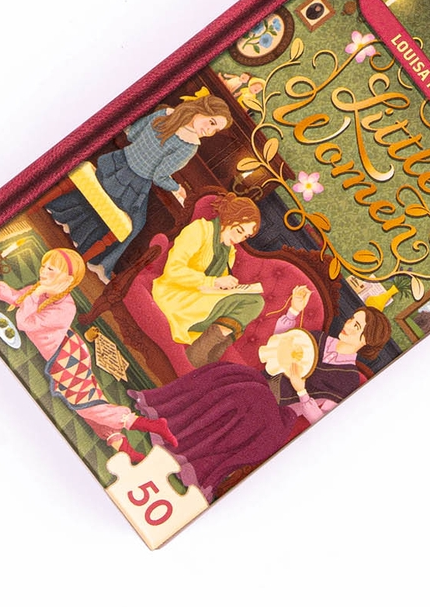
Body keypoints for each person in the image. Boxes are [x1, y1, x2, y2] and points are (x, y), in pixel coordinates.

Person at [130, 294, 389, 500]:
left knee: (249, 395)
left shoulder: (348, 379)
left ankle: (183, 451)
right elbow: (280, 344)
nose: (348, 325)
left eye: (357, 326)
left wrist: (301, 390)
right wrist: (293, 311)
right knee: (227, 372)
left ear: (367, 340)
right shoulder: (319, 339)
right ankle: (163, 418)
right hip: (262, 383)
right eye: (351, 319)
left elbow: (320, 420)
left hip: (280, 415)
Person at [0, 248, 172, 460]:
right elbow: (20, 299)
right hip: (68, 351)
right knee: (91, 402)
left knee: (88, 406)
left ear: (67, 279)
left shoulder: (65, 307)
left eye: (51, 269)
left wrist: (35, 294)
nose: (43, 271)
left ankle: (148, 424)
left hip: (65, 358)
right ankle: (126, 449)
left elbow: (24, 322)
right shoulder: (43, 291)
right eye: (44, 266)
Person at [45, 94, 232, 278]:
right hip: (131, 184)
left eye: (215, 130)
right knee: (136, 225)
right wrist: (177, 188)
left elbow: (133, 133)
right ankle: (99, 263)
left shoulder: (164, 114)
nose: (209, 131)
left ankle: (65, 214)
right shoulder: (189, 146)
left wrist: (143, 154)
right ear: (202, 110)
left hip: (113, 165)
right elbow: (159, 177)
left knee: (108, 201)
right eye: (212, 122)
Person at [150, 193, 267, 367]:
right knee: (254, 302)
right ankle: (201, 350)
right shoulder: (200, 230)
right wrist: (213, 282)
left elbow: (215, 288)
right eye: (239, 230)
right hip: (175, 295)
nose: (238, 239)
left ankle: (211, 348)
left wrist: (228, 287)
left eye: (245, 236)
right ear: (228, 217)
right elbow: (173, 270)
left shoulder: (229, 252)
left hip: (201, 302)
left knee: (257, 302)